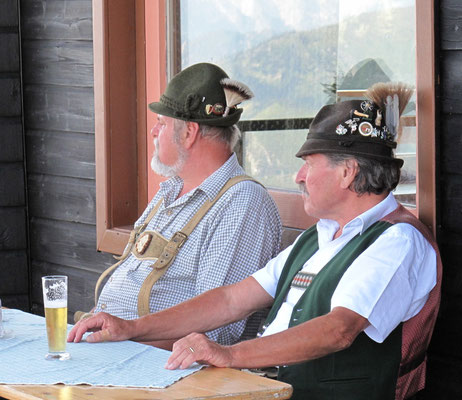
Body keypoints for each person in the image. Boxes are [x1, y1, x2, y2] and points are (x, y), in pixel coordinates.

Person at [69, 82, 441, 400]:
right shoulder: (319, 237)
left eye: (309, 164)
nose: (298, 176)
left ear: (347, 173)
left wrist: (229, 355)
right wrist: (131, 328)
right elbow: (232, 299)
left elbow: (338, 329)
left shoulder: (398, 241)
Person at [80, 62, 282, 347]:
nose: (153, 132)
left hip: (164, 369)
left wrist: (120, 344)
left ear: (189, 132)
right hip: (115, 349)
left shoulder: (243, 203)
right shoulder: (171, 189)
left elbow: (215, 332)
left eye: (161, 123)